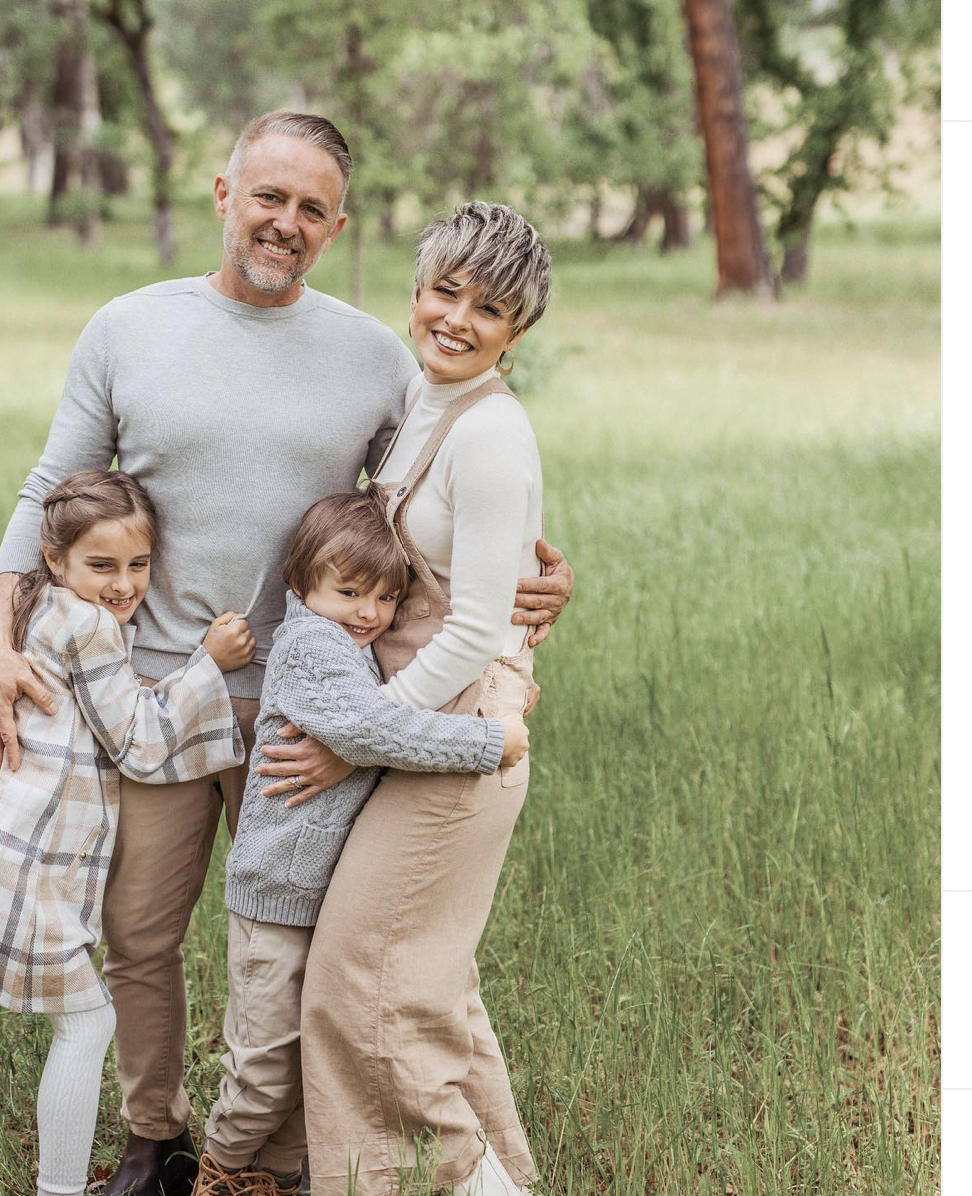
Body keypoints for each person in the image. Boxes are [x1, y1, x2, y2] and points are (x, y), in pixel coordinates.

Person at [0, 111, 574, 1196]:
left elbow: (451, 506)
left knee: (320, 945)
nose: (284, 223)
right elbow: (48, 489)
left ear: (336, 226)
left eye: (310, 209)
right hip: (152, 696)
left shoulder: (379, 356)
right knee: (141, 937)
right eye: (268, 197)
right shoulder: (127, 327)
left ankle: (294, 1151)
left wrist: (539, 590)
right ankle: (156, 1137)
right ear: (223, 192)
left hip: (318, 706)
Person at [0, 470, 253, 1196]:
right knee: (86, 1028)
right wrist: (209, 665)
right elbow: (140, 742)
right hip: (26, 863)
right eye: (102, 566)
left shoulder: (37, 607)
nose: (123, 585)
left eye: (138, 566)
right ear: (55, 559)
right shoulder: (91, 628)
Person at [297, 202, 551, 1195]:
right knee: (431, 988)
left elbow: (480, 623)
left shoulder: (491, 434)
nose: (456, 317)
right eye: (445, 290)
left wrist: (361, 735)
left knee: (359, 988)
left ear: (515, 334)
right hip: (422, 724)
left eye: (487, 308)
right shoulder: (425, 400)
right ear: (417, 289)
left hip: (457, 733)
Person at [193, 486, 530, 1196]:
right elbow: (368, 729)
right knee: (263, 1065)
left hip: (325, 895)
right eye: (348, 591)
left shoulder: (352, 640)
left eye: (383, 598)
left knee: (309, 1058)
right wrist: (487, 739)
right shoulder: (313, 645)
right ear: (301, 583)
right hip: (278, 898)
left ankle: (276, 1176)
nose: (368, 614)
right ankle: (220, 1167)